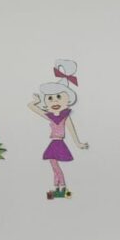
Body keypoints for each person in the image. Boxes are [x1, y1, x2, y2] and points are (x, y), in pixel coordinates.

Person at [28, 59, 88, 199]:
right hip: (53, 143)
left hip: (59, 143)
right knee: (54, 166)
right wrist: (37, 101)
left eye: (59, 97)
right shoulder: (49, 116)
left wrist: (78, 143)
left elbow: (72, 130)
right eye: (50, 98)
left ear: (67, 100)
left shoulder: (65, 116)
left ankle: (62, 188)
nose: (55, 101)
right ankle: (58, 188)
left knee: (55, 166)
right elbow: (31, 106)